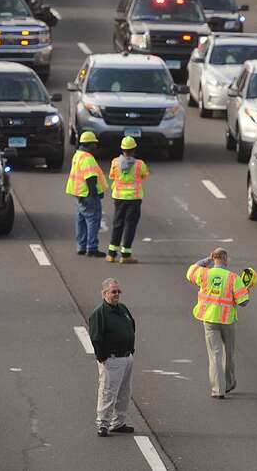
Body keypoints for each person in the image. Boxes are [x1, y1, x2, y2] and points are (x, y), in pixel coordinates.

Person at [186, 247, 250, 398]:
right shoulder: (234, 278)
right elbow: (243, 302)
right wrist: (246, 290)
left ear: (214, 258)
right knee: (228, 353)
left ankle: (217, 390)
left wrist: (207, 259)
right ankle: (228, 383)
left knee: (214, 355)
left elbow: (191, 270)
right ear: (226, 259)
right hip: (227, 321)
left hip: (209, 319)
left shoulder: (204, 273)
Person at [87, 278, 136, 437]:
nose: (117, 294)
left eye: (118, 291)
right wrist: (102, 357)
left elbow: (131, 326)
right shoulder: (99, 313)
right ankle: (103, 424)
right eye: (113, 292)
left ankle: (118, 423)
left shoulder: (122, 308)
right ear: (104, 293)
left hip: (126, 357)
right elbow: (96, 337)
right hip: (112, 358)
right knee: (108, 392)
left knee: (124, 392)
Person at [106, 136, 149, 263]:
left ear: (122, 149)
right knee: (130, 226)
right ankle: (125, 255)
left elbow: (112, 175)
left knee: (117, 223)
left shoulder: (115, 162)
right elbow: (144, 175)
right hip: (134, 198)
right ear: (134, 149)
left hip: (119, 197)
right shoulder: (139, 164)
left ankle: (111, 254)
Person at [65, 130, 106, 257]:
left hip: (79, 194)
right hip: (88, 195)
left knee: (81, 221)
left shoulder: (77, 155)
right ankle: (92, 248)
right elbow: (90, 178)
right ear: (89, 144)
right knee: (93, 220)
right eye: (94, 144)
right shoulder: (88, 158)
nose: (96, 147)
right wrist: (95, 194)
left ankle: (81, 246)